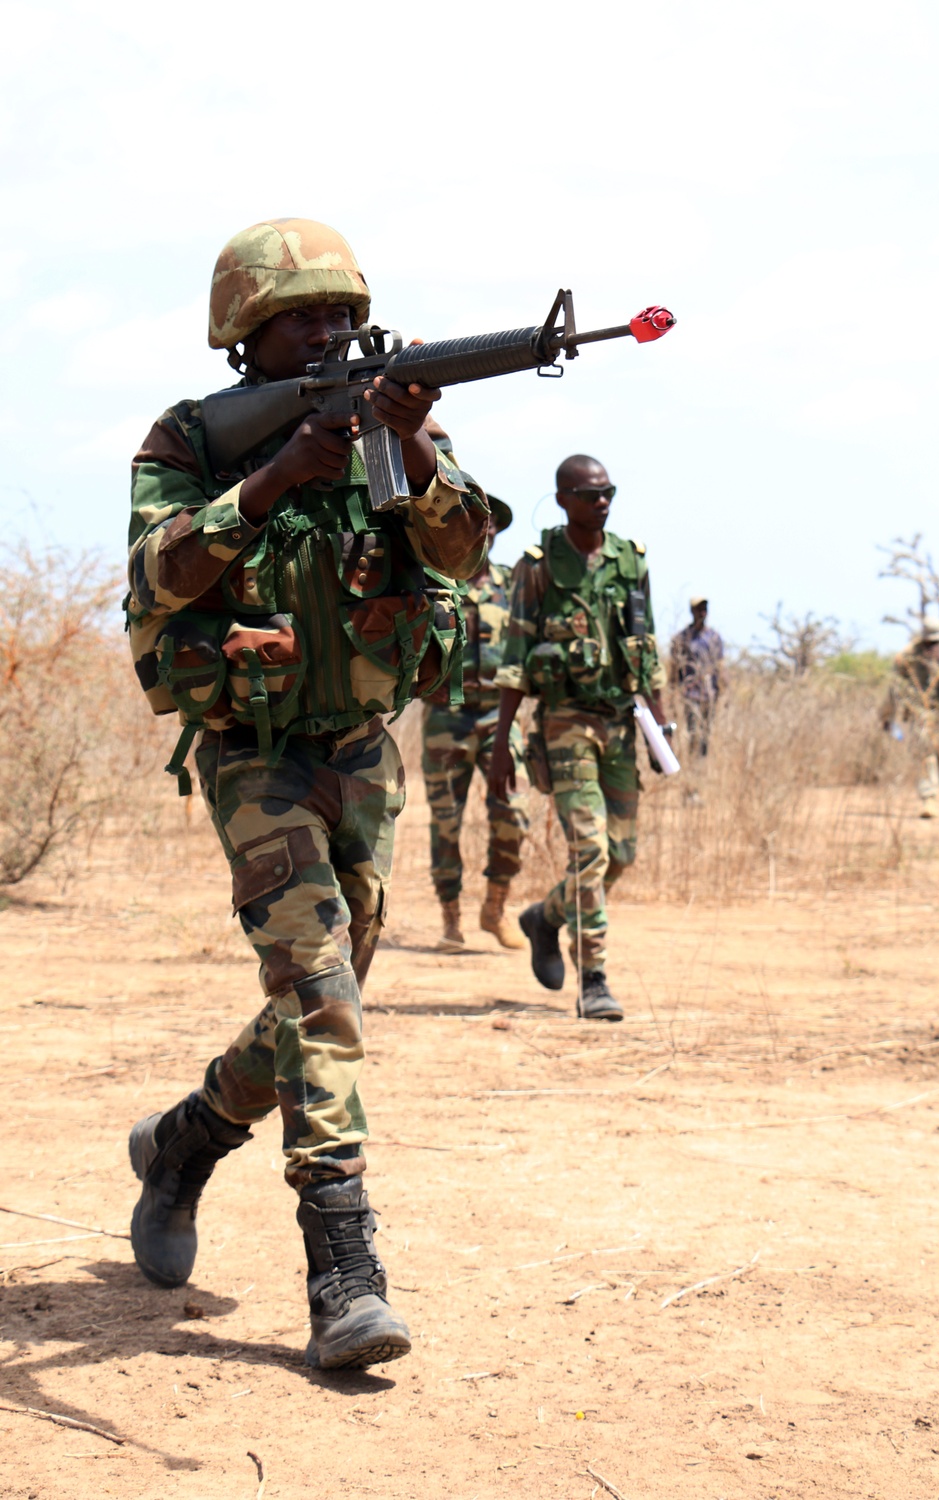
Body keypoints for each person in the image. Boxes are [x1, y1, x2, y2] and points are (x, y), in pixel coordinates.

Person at [124, 218, 488, 1370]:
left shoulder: (396, 425)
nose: (330, 330)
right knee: (323, 994)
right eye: (302, 316)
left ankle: (189, 1137)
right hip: (253, 754)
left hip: (361, 752)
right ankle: (345, 1277)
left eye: (342, 313)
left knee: (312, 998)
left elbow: (470, 553)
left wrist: (412, 451)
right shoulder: (193, 440)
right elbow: (158, 573)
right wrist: (278, 477)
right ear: (246, 334)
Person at [487, 453, 666, 1021]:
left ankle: (545, 917)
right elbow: (515, 660)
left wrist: (663, 728)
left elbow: (648, 646)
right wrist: (501, 746)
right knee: (588, 850)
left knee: (620, 854)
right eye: (590, 494)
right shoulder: (537, 567)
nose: (603, 501)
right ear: (563, 499)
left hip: (620, 723)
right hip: (564, 724)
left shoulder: (629, 562)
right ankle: (594, 978)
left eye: (608, 491)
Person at [420, 429, 528, 952]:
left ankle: (495, 908)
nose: (481, 530)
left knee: (513, 811)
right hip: (446, 717)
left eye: (487, 523)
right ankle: (450, 920)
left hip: (500, 720)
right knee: (447, 822)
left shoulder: (514, 586)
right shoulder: (437, 581)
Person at [883, 611, 939, 818]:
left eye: (935, 642)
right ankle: (929, 799)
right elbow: (894, 687)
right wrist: (888, 715)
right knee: (925, 751)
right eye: (928, 642)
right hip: (920, 712)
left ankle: (938, 793)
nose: (931, 646)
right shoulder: (908, 657)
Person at [670, 593, 725, 758]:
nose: (702, 612)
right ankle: (692, 764)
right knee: (693, 731)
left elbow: (720, 666)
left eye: (704, 609)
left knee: (705, 734)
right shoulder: (682, 638)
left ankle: (701, 767)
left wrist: (722, 690)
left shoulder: (714, 638)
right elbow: (674, 668)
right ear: (692, 611)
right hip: (691, 694)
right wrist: (674, 692)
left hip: (709, 694)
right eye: (699, 609)